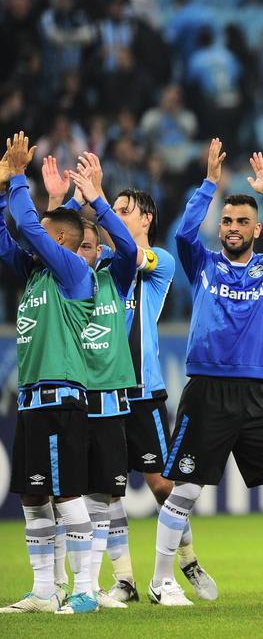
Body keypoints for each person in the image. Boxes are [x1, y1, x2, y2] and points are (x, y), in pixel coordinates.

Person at [149, 139, 263, 606]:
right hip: (207, 390)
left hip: (258, 392)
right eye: (227, 221)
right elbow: (184, 236)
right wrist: (209, 185)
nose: (232, 227)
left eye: (241, 222)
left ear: (255, 229)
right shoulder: (202, 262)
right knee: (185, 488)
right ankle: (161, 580)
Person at [106, 184, 216, 602]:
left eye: (122, 209)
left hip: (142, 391)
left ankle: (184, 560)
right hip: (104, 392)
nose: (114, 214)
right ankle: (124, 581)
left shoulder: (158, 262)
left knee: (162, 486)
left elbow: (135, 256)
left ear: (146, 218)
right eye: (112, 209)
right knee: (108, 489)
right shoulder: (103, 263)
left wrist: (95, 202)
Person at [0, 133, 96, 614]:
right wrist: (2, 191)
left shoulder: (74, 274)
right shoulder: (37, 273)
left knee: (67, 494)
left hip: (61, 399)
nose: (33, 232)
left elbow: (27, 227)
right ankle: (43, 590)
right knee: (35, 497)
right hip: (31, 399)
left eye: (43, 228)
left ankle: (84, 589)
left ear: (59, 240)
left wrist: (18, 177)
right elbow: (7, 238)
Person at [49, 156, 138, 610]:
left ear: (98, 251)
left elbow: (131, 249)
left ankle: (92, 584)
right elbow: (51, 235)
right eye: (78, 247)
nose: (84, 253)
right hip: (73, 400)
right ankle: (62, 583)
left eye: (90, 247)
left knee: (102, 495)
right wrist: (61, 201)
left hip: (110, 401)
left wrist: (98, 201)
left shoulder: (114, 278)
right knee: (64, 495)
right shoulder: (61, 285)